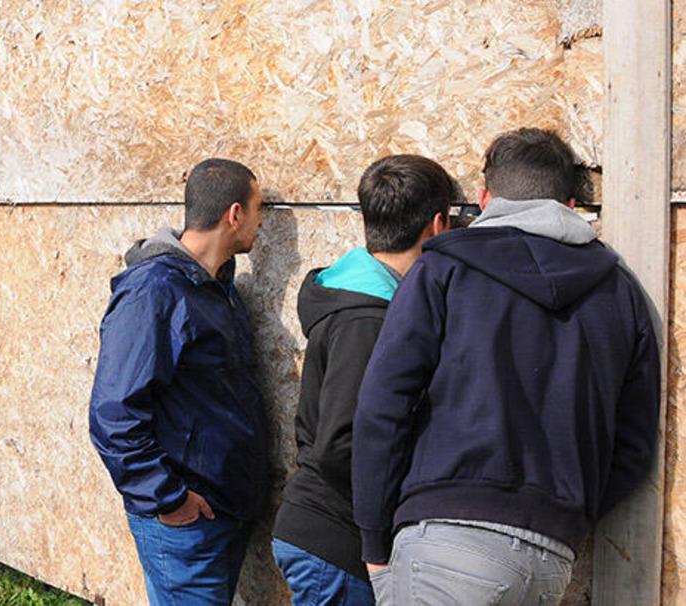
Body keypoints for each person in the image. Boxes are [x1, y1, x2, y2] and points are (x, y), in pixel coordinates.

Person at [352, 128, 661, 605]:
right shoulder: (623, 293)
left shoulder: (442, 271)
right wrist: (562, 511)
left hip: (445, 537)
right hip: (550, 557)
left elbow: (382, 406)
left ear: (484, 197)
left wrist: (374, 539)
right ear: (571, 205)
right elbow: (634, 447)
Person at [272, 155, 453, 606]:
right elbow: (342, 444)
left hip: (333, 538)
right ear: (436, 225)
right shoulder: (367, 320)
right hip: (334, 539)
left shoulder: (371, 303)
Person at [89, 158, 269, 606]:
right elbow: (113, 414)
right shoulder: (155, 290)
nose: (262, 222)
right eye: (258, 209)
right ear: (234, 214)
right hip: (184, 522)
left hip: (220, 512)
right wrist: (169, 499)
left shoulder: (215, 287)